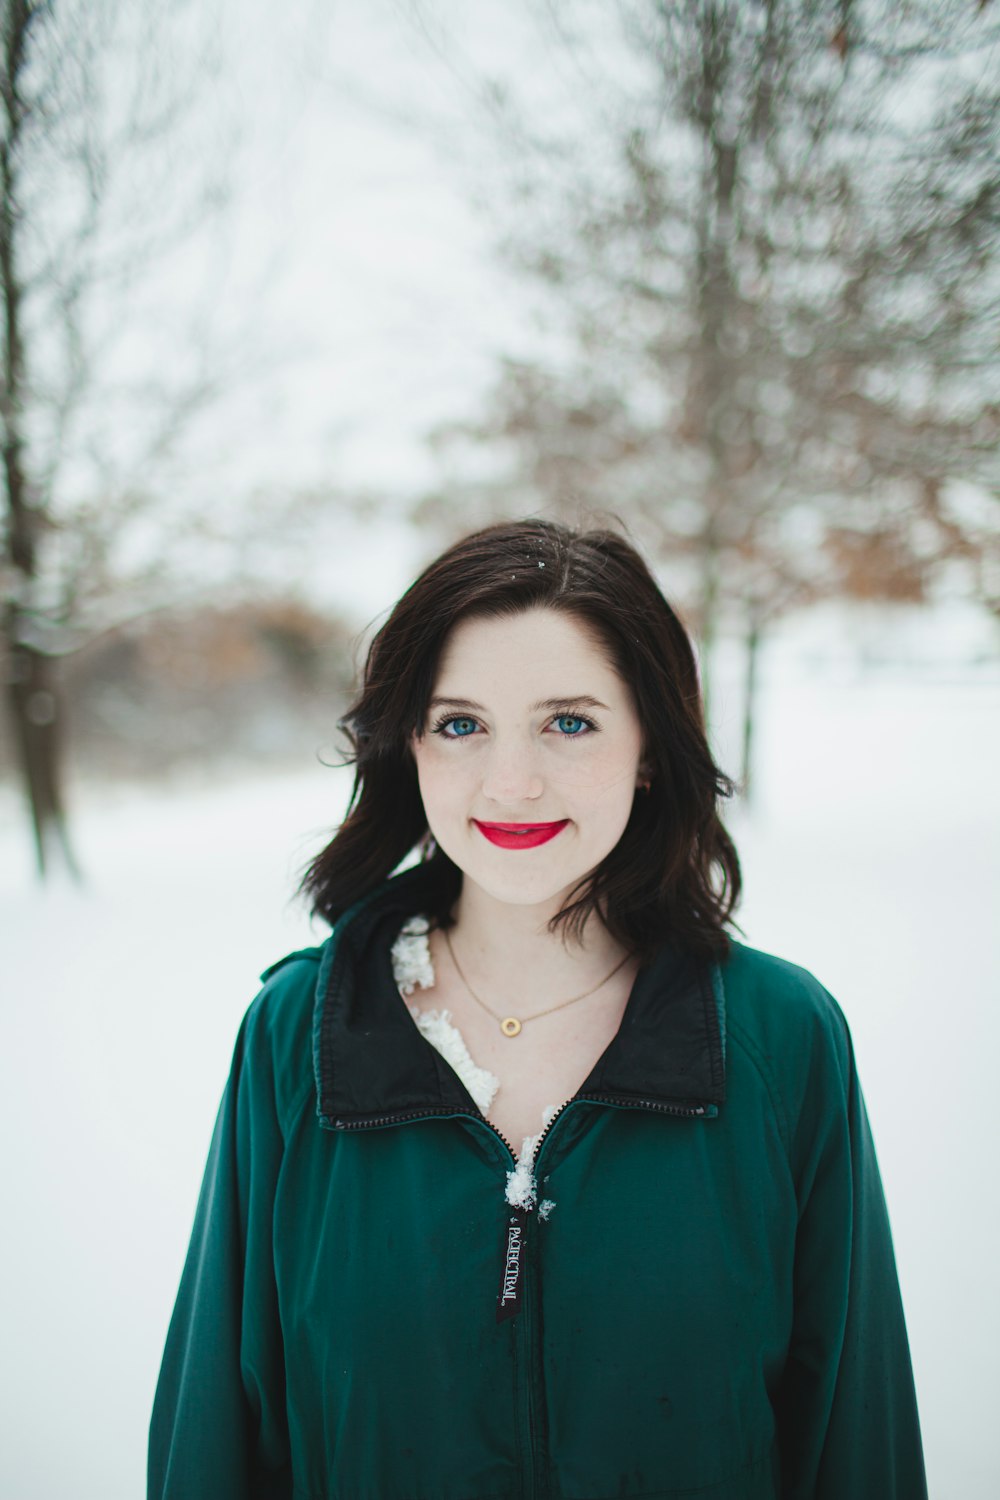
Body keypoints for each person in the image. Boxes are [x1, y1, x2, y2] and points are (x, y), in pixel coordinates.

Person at [148, 517, 927, 1500]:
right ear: (410, 749)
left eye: (569, 721)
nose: (510, 783)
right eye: (461, 723)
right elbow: (216, 1430)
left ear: (649, 745)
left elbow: (855, 1435)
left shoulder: (778, 1034)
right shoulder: (301, 1034)